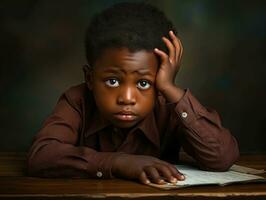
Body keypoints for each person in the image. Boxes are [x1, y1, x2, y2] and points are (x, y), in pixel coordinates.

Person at [28, 2, 239, 185]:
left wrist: (171, 89)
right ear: (90, 78)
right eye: (112, 81)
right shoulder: (77, 101)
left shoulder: (168, 105)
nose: (127, 98)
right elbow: (41, 157)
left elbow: (220, 158)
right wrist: (118, 162)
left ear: (159, 81)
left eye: (144, 83)